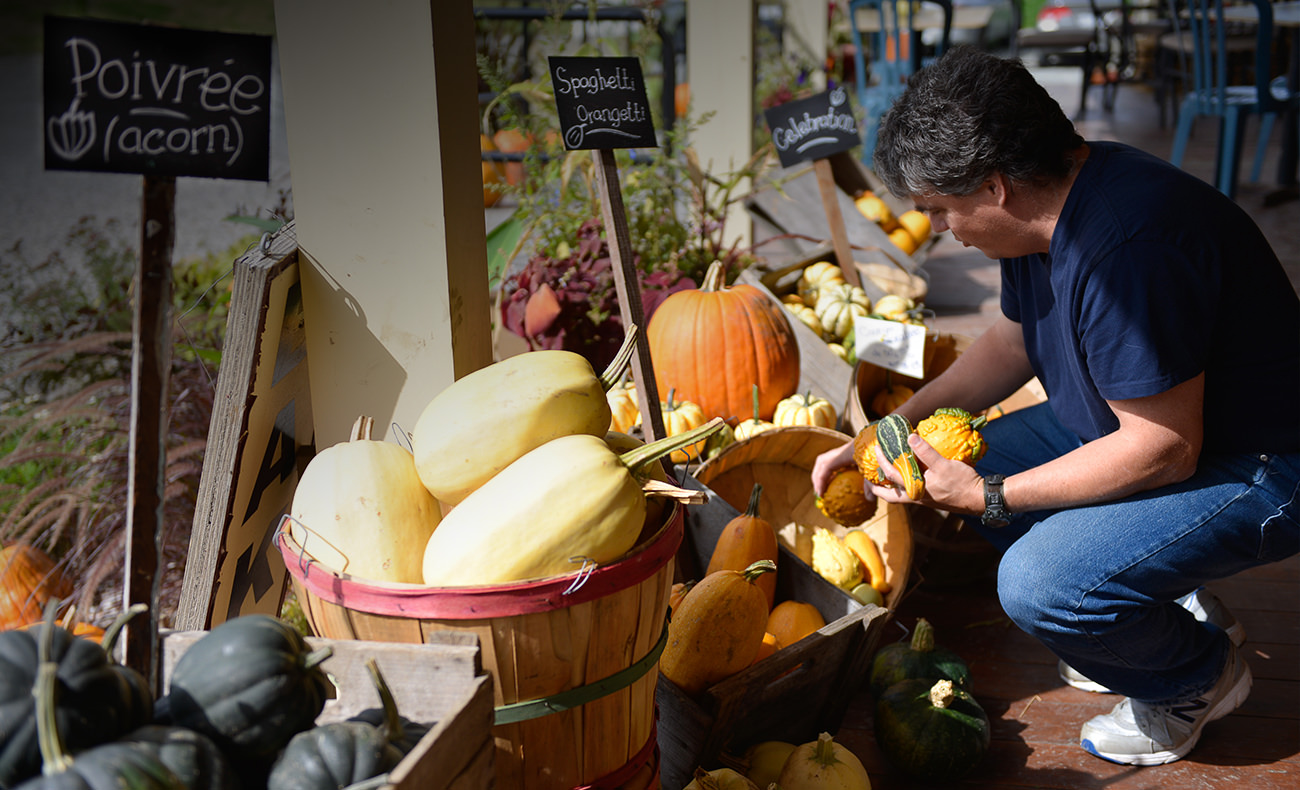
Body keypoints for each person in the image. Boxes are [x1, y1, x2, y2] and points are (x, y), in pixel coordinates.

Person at [812, 46, 1300, 767]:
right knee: (977, 465)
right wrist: (897, 424)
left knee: (1040, 583)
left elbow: (1165, 448)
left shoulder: (1129, 248)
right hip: (1159, 431)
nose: (942, 228)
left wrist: (991, 496)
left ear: (996, 186)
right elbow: (1011, 343)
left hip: (1262, 466)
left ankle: (1194, 679)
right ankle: (1156, 612)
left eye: (942, 210)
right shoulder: (1050, 206)